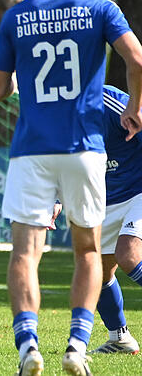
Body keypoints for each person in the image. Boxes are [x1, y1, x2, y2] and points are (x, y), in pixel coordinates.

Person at [0, 0, 142, 375]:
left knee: (25, 253)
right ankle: (77, 345)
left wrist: (14, 77)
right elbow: (136, 60)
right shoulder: (100, 8)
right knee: (89, 253)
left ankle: (28, 347)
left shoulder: (16, 17)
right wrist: (134, 107)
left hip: (32, 150)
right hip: (86, 148)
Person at [88, 86, 142, 355]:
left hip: (138, 190)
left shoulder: (110, 101)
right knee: (95, 271)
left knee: (128, 254)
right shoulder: (60, 113)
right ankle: (120, 338)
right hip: (105, 199)